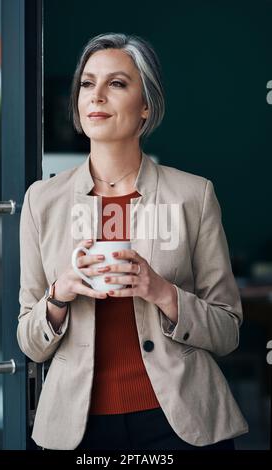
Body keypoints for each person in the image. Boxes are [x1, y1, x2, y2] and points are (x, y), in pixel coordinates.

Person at [17, 32, 248, 451]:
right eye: (87, 83)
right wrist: (59, 294)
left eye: (117, 83)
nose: (97, 96)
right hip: (76, 429)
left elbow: (227, 331)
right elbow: (30, 344)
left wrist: (161, 292)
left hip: (181, 423)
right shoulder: (41, 200)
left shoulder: (194, 195)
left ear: (146, 106)